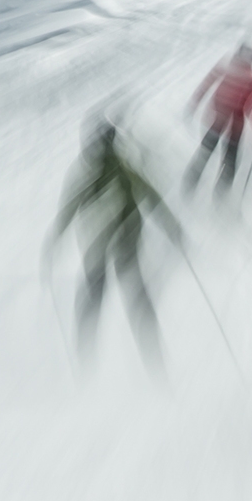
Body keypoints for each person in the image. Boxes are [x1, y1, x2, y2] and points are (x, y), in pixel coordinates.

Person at [49, 118, 185, 365]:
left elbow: (71, 206)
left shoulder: (90, 172)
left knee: (93, 297)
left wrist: (56, 238)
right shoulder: (125, 169)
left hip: (99, 245)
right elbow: (151, 197)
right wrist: (172, 228)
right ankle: (153, 356)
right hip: (127, 242)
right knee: (138, 297)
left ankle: (85, 354)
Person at [183, 45, 252, 195]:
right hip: (232, 124)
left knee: (208, 152)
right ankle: (218, 194)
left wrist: (194, 104)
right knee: (228, 160)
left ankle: (192, 184)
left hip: (222, 121)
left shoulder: (232, 71)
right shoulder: (251, 79)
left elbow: (206, 85)